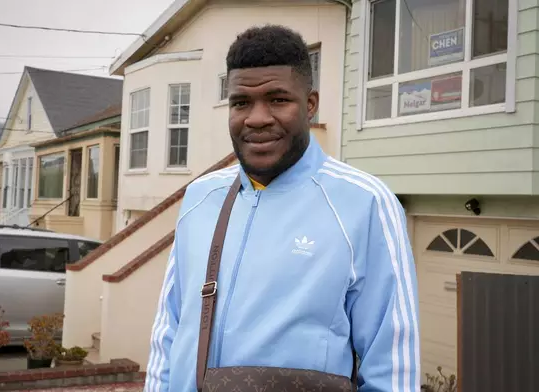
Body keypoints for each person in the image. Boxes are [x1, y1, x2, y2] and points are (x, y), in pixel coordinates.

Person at [144, 24, 420, 392]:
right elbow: (169, 331)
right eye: (241, 102)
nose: (257, 118)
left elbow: (393, 368)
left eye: (277, 99)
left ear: (309, 105)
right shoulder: (200, 198)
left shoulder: (364, 202)